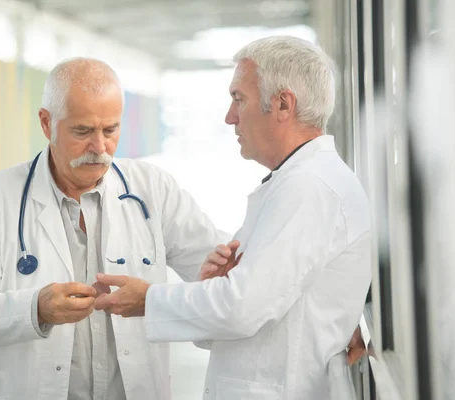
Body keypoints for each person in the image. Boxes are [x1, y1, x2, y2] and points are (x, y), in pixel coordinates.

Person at [94, 36, 372, 399]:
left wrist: (149, 299)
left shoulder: (310, 187)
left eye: (239, 98)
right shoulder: (294, 183)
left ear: (283, 104)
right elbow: (242, 315)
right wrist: (209, 287)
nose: (230, 116)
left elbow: (241, 308)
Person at [0, 57, 224, 400]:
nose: (99, 147)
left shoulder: (153, 190)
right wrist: (34, 308)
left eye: (110, 129)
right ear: (46, 123)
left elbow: (214, 274)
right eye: (83, 131)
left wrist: (166, 298)